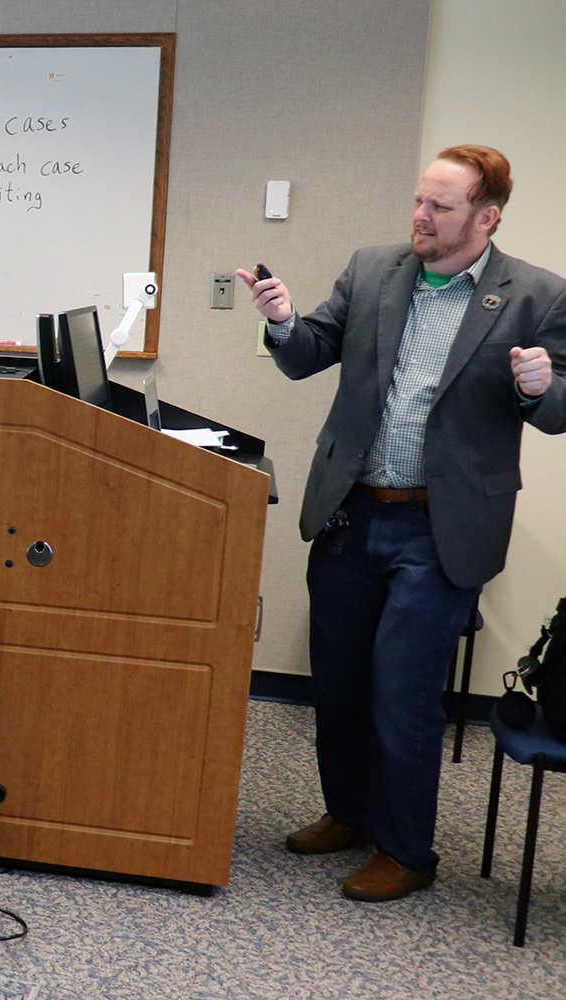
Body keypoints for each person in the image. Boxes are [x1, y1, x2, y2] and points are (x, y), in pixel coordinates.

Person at [237, 145, 566, 902]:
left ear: (485, 218)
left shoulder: (537, 297)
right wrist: (285, 323)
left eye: (440, 207)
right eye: (419, 202)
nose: (421, 217)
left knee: (403, 694)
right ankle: (348, 813)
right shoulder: (374, 270)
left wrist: (540, 387)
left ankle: (406, 850)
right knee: (342, 683)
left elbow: (557, 411)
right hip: (353, 514)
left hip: (439, 528)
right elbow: (310, 352)